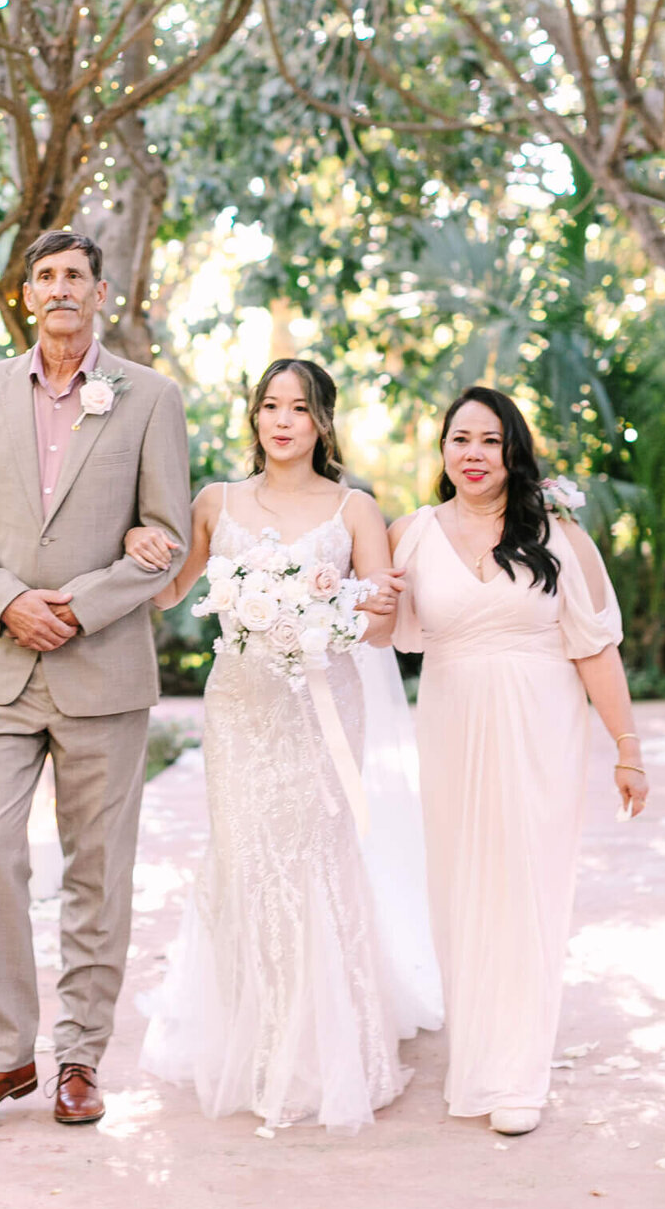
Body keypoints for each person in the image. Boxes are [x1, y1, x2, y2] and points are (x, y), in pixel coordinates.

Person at [125, 359, 436, 1133]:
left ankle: (328, 1049)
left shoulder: (354, 509)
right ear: (255, 417)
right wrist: (142, 546)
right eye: (270, 405)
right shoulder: (215, 503)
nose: (283, 420)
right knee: (244, 855)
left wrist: (336, 612)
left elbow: (381, 624)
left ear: (322, 421)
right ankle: (251, 1041)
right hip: (241, 706)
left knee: (314, 856)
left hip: (324, 706)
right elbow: (169, 593)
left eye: (299, 407)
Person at [0, 229, 191, 1128]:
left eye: (76, 275)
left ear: (101, 293)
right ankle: (0, 1059)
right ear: (26, 296)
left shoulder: (151, 398)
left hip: (101, 665)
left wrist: (72, 604)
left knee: (97, 870)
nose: (61, 289)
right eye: (46, 277)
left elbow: (165, 540)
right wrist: (10, 603)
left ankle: (80, 1057)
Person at [390, 386, 646, 1138]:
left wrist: (627, 748)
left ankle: (519, 1074)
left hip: (541, 724)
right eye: (460, 439)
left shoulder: (556, 533)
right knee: (462, 887)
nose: (473, 454)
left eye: (490, 442)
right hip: (450, 723)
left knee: (527, 883)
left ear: (513, 452)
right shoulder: (409, 534)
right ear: (442, 450)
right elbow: (381, 634)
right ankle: (478, 1054)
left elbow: (595, 646)